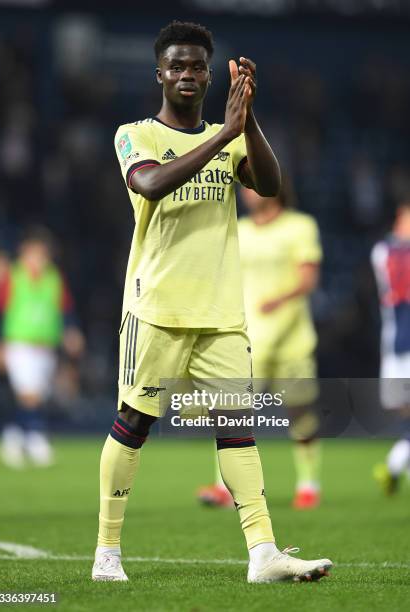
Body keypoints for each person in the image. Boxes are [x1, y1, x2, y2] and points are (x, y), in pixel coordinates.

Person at [92, 20, 332, 583]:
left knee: (236, 428)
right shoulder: (135, 134)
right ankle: (107, 552)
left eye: (197, 66)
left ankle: (263, 554)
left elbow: (270, 185)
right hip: (156, 311)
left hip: (221, 313)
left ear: (208, 73)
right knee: (133, 422)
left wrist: (246, 122)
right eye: (177, 65)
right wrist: (224, 134)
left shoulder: (225, 138)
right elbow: (150, 185)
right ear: (159, 74)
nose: (187, 75)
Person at [198, 179, 323, 510]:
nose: (246, 192)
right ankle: (224, 488)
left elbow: (308, 278)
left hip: (291, 339)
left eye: (252, 185)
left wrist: (278, 300)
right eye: (244, 187)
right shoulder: (238, 229)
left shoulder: (300, 226)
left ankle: (308, 482)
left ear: (273, 187)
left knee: (299, 413)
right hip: (246, 337)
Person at [0, 227, 84, 467]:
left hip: (46, 345)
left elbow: (64, 309)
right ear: (24, 253)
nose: (39, 259)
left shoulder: (54, 278)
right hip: (19, 344)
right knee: (29, 395)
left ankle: (12, 438)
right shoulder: (13, 277)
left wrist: (71, 331)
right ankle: (36, 439)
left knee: (33, 398)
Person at [372, 197, 410, 494]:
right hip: (400, 343)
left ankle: (396, 464)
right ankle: (396, 463)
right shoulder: (387, 252)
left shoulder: (384, 250)